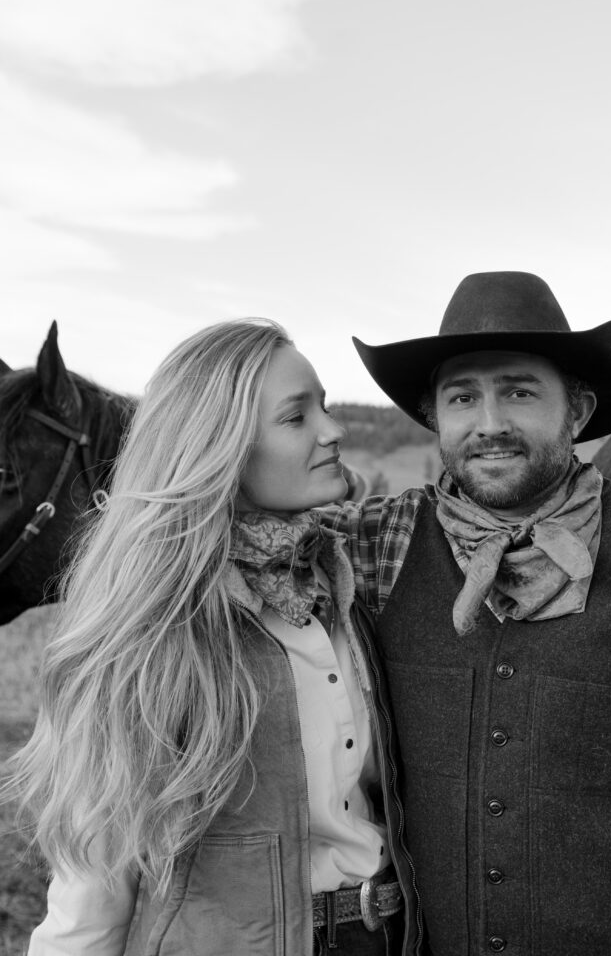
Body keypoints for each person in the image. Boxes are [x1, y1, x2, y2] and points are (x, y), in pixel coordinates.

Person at [322, 271, 611, 956]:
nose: (488, 424)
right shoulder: (373, 552)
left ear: (576, 410)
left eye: (517, 390)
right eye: (462, 396)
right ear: (433, 416)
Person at [9, 318, 422, 956]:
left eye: (327, 407)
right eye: (295, 417)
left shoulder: (349, 589)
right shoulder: (151, 636)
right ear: (219, 446)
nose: (333, 431)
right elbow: (91, 892)